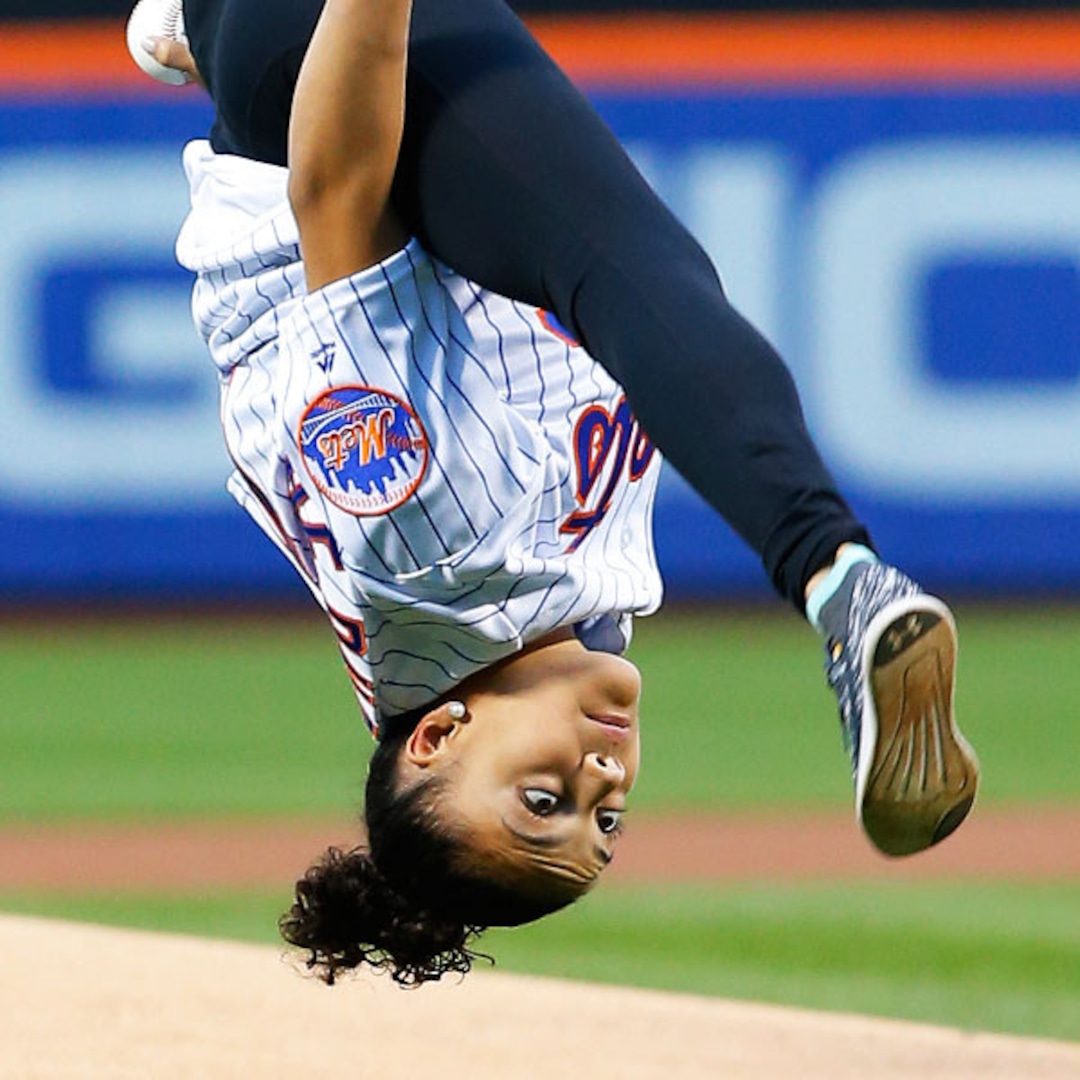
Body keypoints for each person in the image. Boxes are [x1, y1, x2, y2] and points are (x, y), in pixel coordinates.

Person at [140, 0, 979, 986]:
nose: (602, 780)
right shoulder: (544, 616)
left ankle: (836, 578)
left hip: (301, 105)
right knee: (614, 273)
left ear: (442, 734)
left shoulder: (420, 540)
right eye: (606, 819)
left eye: (543, 801)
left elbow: (333, 189)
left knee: (621, 267)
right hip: (304, 126)